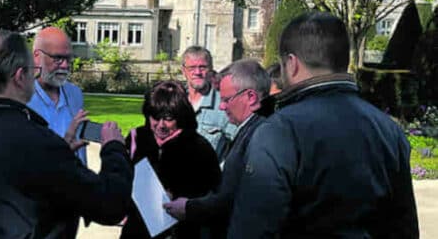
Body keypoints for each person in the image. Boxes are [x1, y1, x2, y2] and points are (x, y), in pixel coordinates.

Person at [228, 12, 419, 237]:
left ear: (291, 64)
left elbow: (254, 228)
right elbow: (404, 228)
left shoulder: (279, 131)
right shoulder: (388, 129)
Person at [0, 31, 133, 238]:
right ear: (20, 76)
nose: (35, 77)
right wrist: (114, 149)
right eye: (32, 70)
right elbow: (110, 206)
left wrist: (62, 152)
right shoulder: (39, 142)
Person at [163, 59, 271, 237]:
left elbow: (233, 198)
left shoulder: (260, 134)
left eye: (227, 100)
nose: (222, 106)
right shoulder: (254, 129)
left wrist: (189, 208)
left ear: (251, 97)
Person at [121, 81, 221, 239]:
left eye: (168, 118)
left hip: (182, 231)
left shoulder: (199, 147)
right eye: (155, 117)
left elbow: (213, 195)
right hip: (138, 229)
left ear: (180, 116)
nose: (161, 125)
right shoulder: (137, 138)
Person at [27, 26, 88, 164]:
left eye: (68, 58)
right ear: (37, 56)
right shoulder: (21, 98)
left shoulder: (75, 94)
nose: (65, 65)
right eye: (58, 58)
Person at [181, 46, 236, 159]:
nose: (197, 72)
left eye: (202, 67)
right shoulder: (174, 102)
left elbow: (241, 145)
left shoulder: (224, 106)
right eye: (192, 68)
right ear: (184, 71)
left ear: (210, 70)